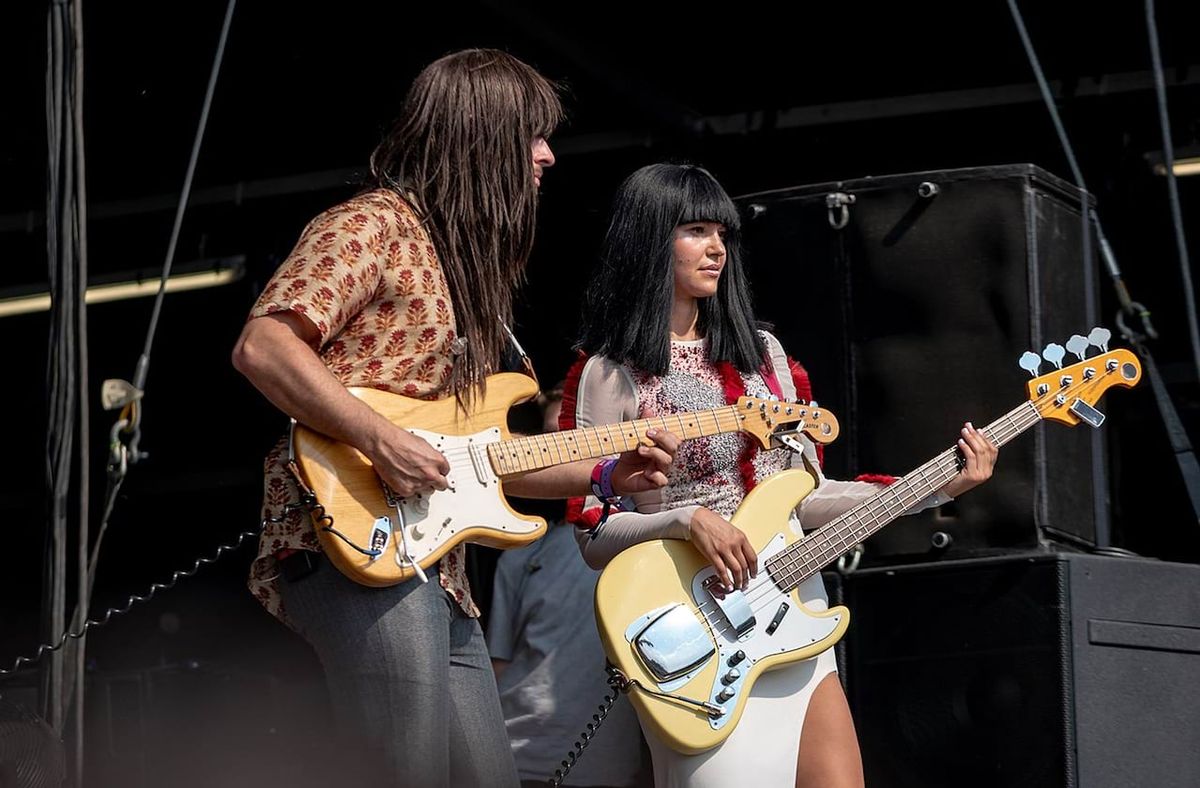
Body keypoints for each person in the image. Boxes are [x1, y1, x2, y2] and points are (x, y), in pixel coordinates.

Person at [230, 50, 679, 788]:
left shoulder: (469, 272)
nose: (549, 155)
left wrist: (604, 471)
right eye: (533, 136)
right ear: (482, 136)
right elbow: (263, 344)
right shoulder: (368, 226)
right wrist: (379, 437)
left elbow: (487, 459)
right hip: (353, 540)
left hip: (440, 570)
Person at [562, 163, 999, 788]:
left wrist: (936, 486)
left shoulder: (765, 357)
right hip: (697, 623)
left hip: (792, 606)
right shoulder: (608, 373)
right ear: (649, 239)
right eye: (695, 230)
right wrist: (686, 520)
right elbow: (593, 535)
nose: (717, 248)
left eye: (723, 233)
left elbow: (804, 496)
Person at [487, 384, 648, 788]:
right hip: (516, 755)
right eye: (549, 438)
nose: (557, 451)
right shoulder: (520, 554)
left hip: (606, 765)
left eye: (568, 436)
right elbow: (496, 664)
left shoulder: (646, 537)